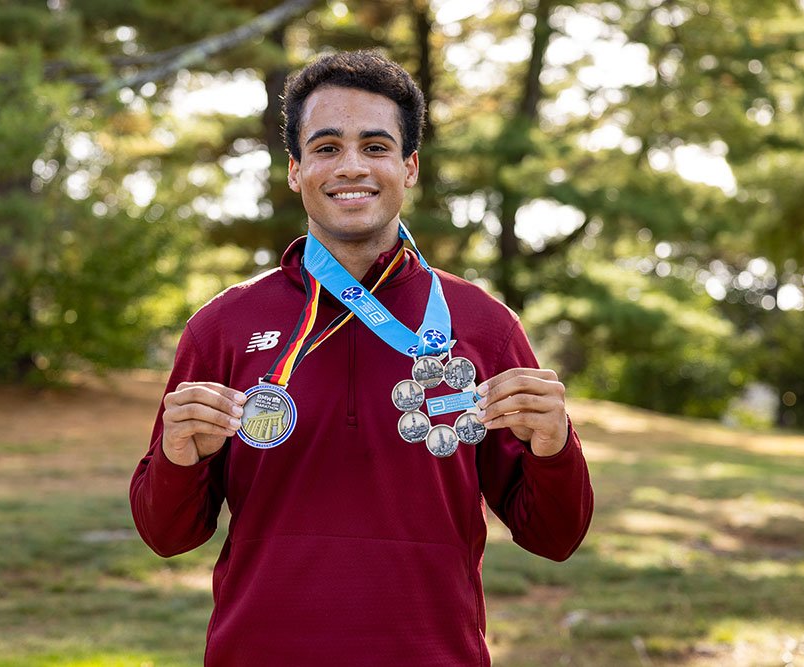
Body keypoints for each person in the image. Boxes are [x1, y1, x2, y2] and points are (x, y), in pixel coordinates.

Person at [130, 50, 593, 666]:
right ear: (296, 170)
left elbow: (555, 536)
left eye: (376, 147)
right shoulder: (224, 325)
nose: (352, 166)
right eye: (326, 147)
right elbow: (167, 534)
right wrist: (177, 455)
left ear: (410, 166)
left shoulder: (483, 325)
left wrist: (556, 445)